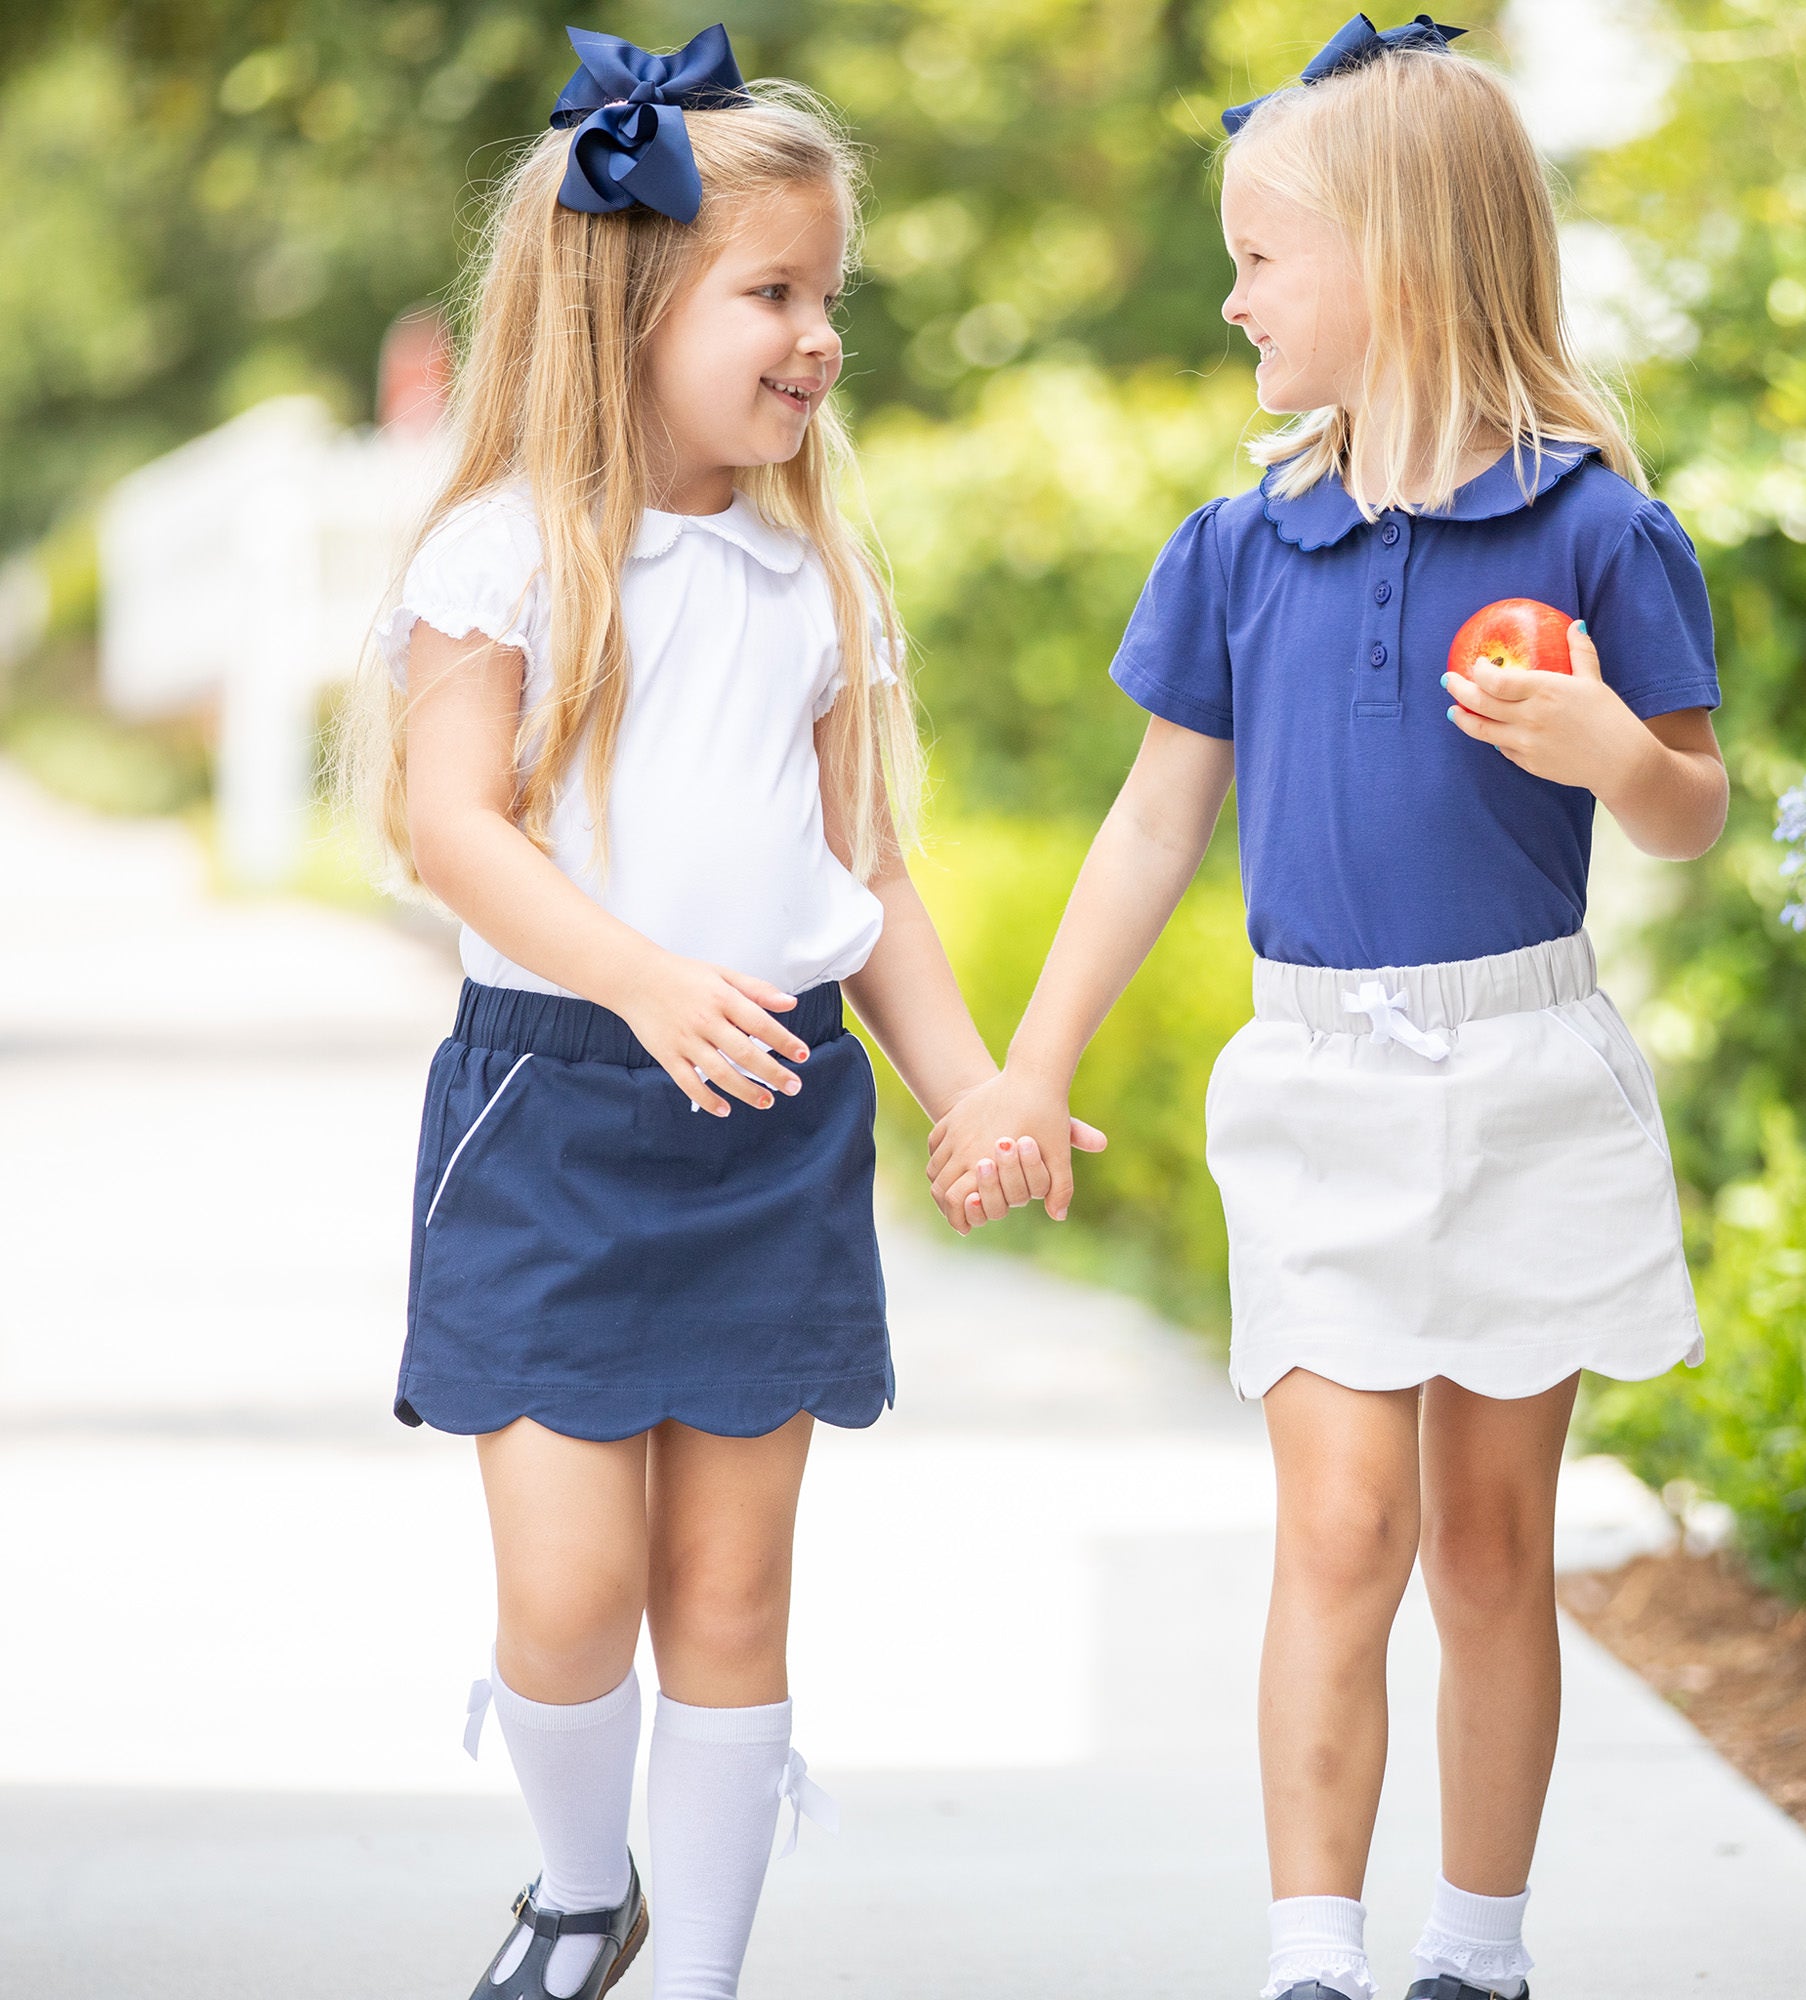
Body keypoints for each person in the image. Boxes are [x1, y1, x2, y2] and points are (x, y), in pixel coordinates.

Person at [925, 16, 1728, 1999]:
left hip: (1524, 1067)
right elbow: (1143, 831)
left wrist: (1605, 738)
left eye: (1261, 257)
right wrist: (1031, 1060)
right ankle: (1308, 1955)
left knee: (1484, 1546)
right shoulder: (1236, 546)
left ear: (1398, 258)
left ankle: (1474, 1951)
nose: (1229, 296)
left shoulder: (1597, 532)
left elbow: (1691, 810)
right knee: (1341, 1528)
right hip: (1323, 1078)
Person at [350, 26, 1084, 2000]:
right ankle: (584, 1886)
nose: (815, 336)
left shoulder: (815, 578)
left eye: (826, 295)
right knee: (572, 1597)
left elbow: (869, 884)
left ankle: (702, 1973)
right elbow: (449, 824)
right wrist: (645, 980)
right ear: (630, 305)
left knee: (732, 1592)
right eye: (771, 292)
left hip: (769, 1124)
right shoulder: (505, 551)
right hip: (556, 1109)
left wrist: (968, 1084)